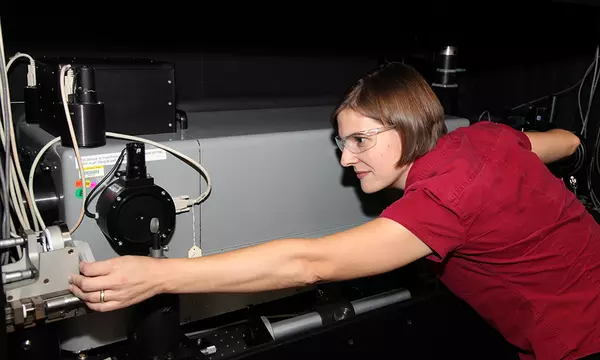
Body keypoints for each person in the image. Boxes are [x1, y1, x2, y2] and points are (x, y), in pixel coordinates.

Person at [68, 62, 600, 360]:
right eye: (341, 144)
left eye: (360, 140)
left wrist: (159, 277)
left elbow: (309, 263)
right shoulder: (484, 138)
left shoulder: (442, 201)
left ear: (408, 124)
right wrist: (576, 142)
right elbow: (555, 140)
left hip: (576, 339)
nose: (347, 160)